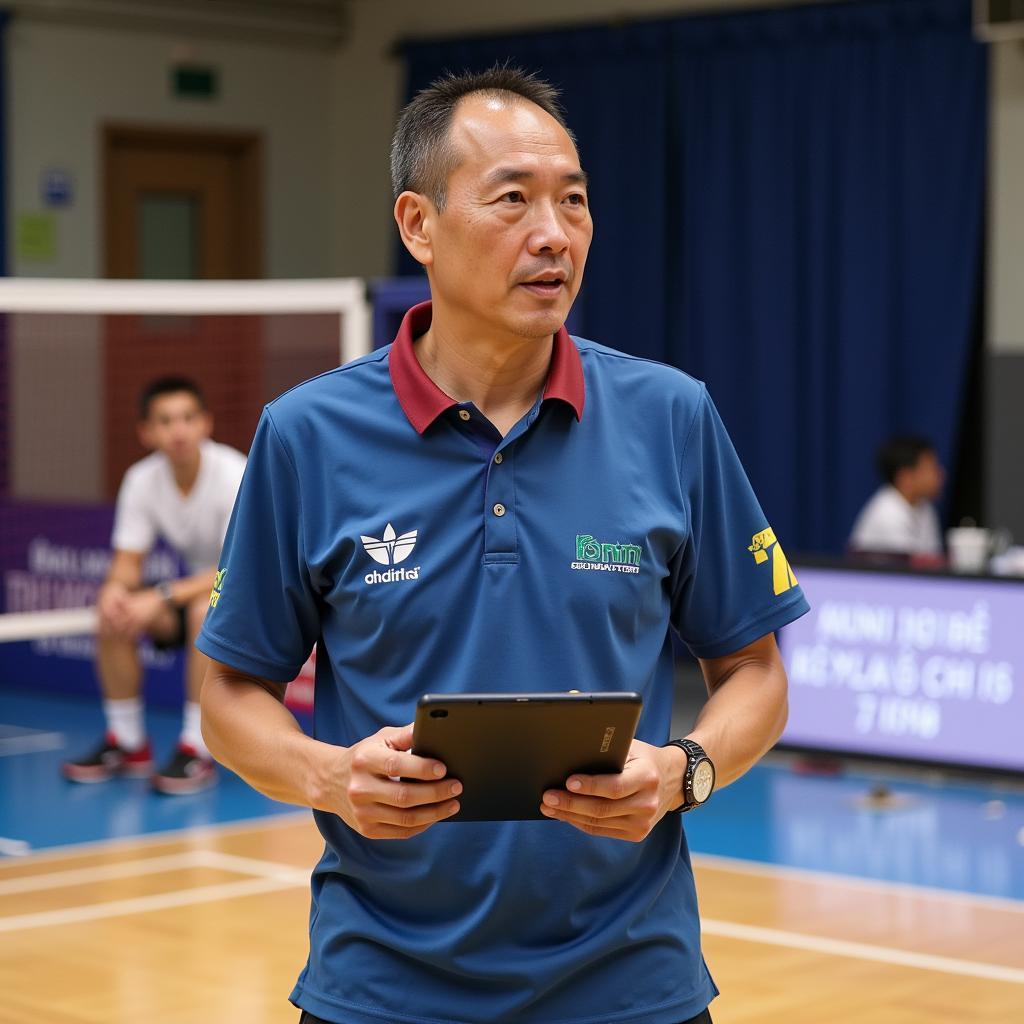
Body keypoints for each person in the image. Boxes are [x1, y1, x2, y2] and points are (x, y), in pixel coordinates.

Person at [197, 67, 809, 1024]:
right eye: (514, 199)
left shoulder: (672, 417)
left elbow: (758, 674)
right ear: (419, 224)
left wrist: (682, 770)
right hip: (381, 988)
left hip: (632, 987)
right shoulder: (306, 434)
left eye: (574, 201)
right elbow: (230, 696)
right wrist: (328, 774)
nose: (555, 234)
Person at [63, 376, 246, 794]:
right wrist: (114, 590)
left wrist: (161, 595)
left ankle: (197, 747)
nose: (178, 430)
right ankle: (127, 742)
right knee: (114, 610)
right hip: (198, 590)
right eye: (165, 421)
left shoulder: (235, 473)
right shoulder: (141, 480)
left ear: (206, 424)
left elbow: (235, 569)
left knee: (205, 611)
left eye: (187, 418)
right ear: (146, 432)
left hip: (250, 595)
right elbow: (127, 564)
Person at [848, 435, 945, 556]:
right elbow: (909, 571)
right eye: (931, 468)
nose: (940, 474)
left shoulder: (925, 507)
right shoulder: (887, 513)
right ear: (905, 477)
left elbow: (932, 558)